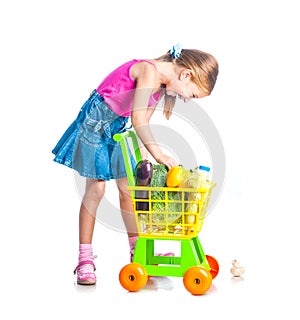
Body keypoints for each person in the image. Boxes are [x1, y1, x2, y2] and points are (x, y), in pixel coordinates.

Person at [52, 44, 219, 285]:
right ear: (186, 74)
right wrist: (159, 154)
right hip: (95, 126)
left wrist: (146, 160)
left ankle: (138, 252)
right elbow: (138, 118)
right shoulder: (148, 71)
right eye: (191, 94)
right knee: (96, 189)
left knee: (128, 191)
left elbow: (141, 123)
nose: (186, 99)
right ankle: (85, 259)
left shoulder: (160, 87)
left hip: (118, 129)